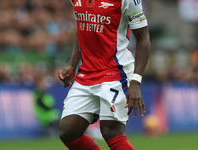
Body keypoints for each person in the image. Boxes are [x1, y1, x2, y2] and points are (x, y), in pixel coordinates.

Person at [58, 0, 151, 149]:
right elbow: (81, 25)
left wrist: (135, 82)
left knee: (110, 131)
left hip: (115, 73)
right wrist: (73, 64)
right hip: (86, 73)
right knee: (68, 132)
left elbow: (143, 38)